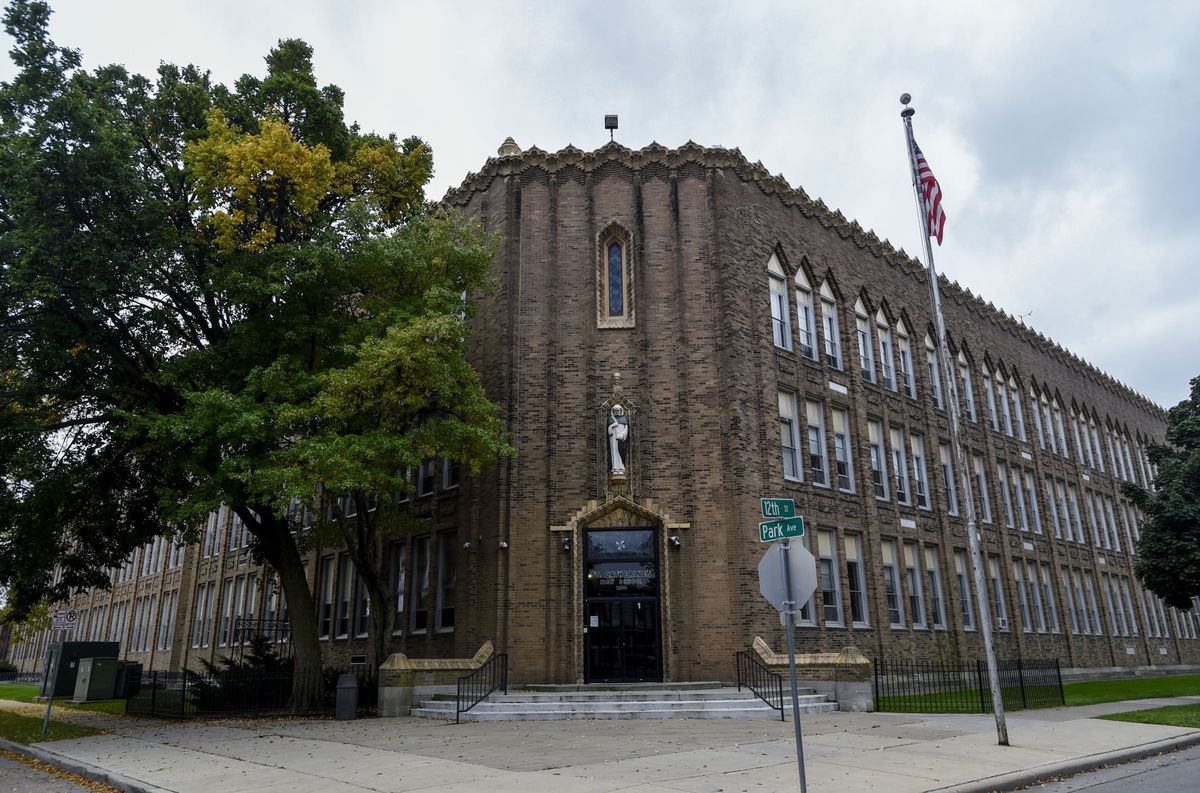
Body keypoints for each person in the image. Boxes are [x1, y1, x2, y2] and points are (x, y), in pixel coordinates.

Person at [608, 404, 629, 474]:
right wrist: (612, 426)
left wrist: (622, 435)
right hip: (613, 438)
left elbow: (626, 429)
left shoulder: (624, 419)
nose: (616, 412)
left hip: (621, 438)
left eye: (618, 411)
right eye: (615, 411)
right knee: (614, 452)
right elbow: (609, 431)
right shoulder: (611, 419)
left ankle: (621, 467)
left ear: (620, 411)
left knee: (621, 452)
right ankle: (615, 468)